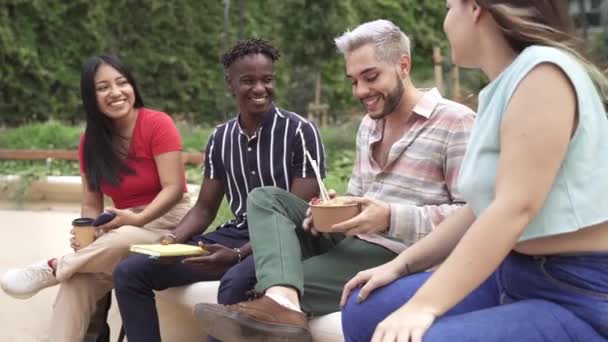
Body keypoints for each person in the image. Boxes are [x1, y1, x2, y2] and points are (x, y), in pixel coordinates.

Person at [340, 1, 608, 341]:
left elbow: (513, 209)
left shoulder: (544, 74)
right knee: (364, 308)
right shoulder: (503, 85)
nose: (446, 21)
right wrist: (401, 265)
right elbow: (480, 207)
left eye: (450, 7)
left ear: (476, 9)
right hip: (513, 273)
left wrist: (423, 306)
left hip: (576, 291)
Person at [197, 19, 475, 341]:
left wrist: (388, 217)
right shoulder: (370, 126)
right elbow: (359, 199)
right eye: (353, 81)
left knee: (253, 285)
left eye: (370, 77)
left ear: (403, 65)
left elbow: (473, 216)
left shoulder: (456, 122)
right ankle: (283, 299)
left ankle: (280, 300)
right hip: (353, 240)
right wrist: (334, 209)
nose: (360, 91)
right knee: (265, 197)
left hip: (400, 252)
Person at [111, 38, 326, 342]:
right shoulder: (220, 138)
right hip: (235, 234)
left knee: (235, 282)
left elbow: (294, 215)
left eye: (267, 79)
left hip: (283, 243)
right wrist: (172, 240)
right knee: (130, 272)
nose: (260, 88)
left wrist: (238, 255)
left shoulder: (300, 131)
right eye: (248, 81)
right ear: (230, 84)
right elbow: (203, 209)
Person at [0, 54, 190, 341]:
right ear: (91, 96)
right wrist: (87, 233)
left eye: (121, 83)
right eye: (103, 87)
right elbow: (91, 201)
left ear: (133, 86)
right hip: (122, 227)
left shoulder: (157, 123)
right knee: (76, 281)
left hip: (170, 224)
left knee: (124, 236)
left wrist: (138, 218)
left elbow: (174, 188)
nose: (115, 92)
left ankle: (52, 267)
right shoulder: (91, 141)